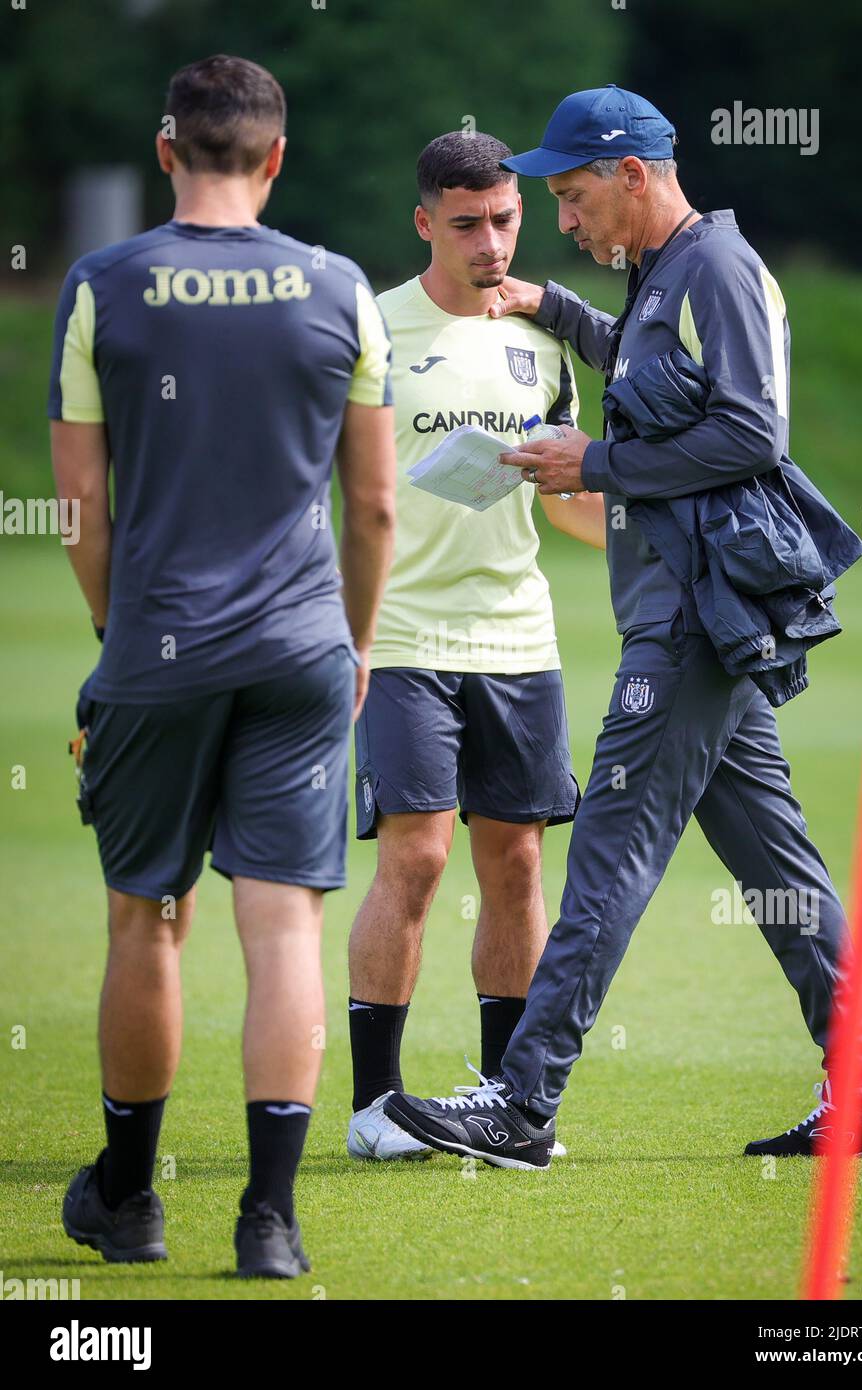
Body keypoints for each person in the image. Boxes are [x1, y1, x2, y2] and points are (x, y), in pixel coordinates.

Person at [383, 86, 862, 1168]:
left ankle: (522, 1105)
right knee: (780, 871)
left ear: (633, 175)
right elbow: (646, 368)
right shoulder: (661, 270)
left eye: (575, 198)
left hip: (687, 618)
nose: (567, 221)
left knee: (609, 861)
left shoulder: (714, 268)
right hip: (697, 616)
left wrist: (598, 462)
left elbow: (750, 433)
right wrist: (557, 309)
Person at [49, 54, 396, 1273]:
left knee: (148, 921)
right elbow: (374, 512)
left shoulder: (104, 284)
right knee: (285, 933)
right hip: (304, 650)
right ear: (277, 157)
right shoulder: (342, 288)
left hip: (156, 645)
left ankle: (130, 1201)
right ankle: (270, 1223)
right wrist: (353, 645)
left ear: (166, 149)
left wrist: (115, 637)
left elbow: (79, 507)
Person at [345, 131, 606, 1162]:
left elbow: (575, 497)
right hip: (401, 632)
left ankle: (504, 1101)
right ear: (424, 223)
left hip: (518, 634)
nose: (490, 241)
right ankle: (374, 1107)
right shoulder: (369, 327)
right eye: (466, 225)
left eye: (504, 220)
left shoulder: (544, 341)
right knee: (414, 855)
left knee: (518, 863)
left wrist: (647, 526)